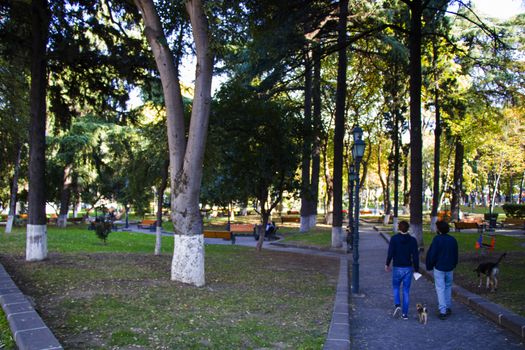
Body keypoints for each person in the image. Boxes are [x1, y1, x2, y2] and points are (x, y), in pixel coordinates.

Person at [385, 220, 419, 320]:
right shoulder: (413, 240)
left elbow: (390, 252)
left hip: (397, 267)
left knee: (396, 287)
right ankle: (405, 314)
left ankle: (397, 305)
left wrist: (387, 264)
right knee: (406, 291)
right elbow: (415, 256)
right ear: (408, 228)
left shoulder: (394, 239)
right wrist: (416, 269)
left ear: (399, 228)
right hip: (408, 268)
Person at [425, 220, 458, 320]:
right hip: (450, 267)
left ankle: (442, 310)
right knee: (448, 287)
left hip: (439, 267)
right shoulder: (452, 239)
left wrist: (430, 264)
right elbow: (455, 254)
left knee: (440, 288)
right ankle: (447, 306)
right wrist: (453, 264)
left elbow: (432, 254)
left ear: (438, 229)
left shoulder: (437, 240)